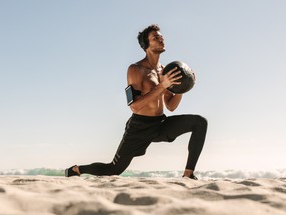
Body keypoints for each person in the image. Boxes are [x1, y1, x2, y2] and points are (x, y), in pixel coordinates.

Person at [65, 24, 207, 179]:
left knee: (200, 122)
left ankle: (188, 174)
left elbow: (171, 106)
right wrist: (162, 85)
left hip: (160, 124)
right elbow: (134, 106)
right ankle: (76, 170)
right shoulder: (135, 70)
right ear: (146, 45)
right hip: (139, 126)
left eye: (161, 37)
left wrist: (183, 87)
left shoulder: (164, 71)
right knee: (114, 169)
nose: (161, 39)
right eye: (155, 38)